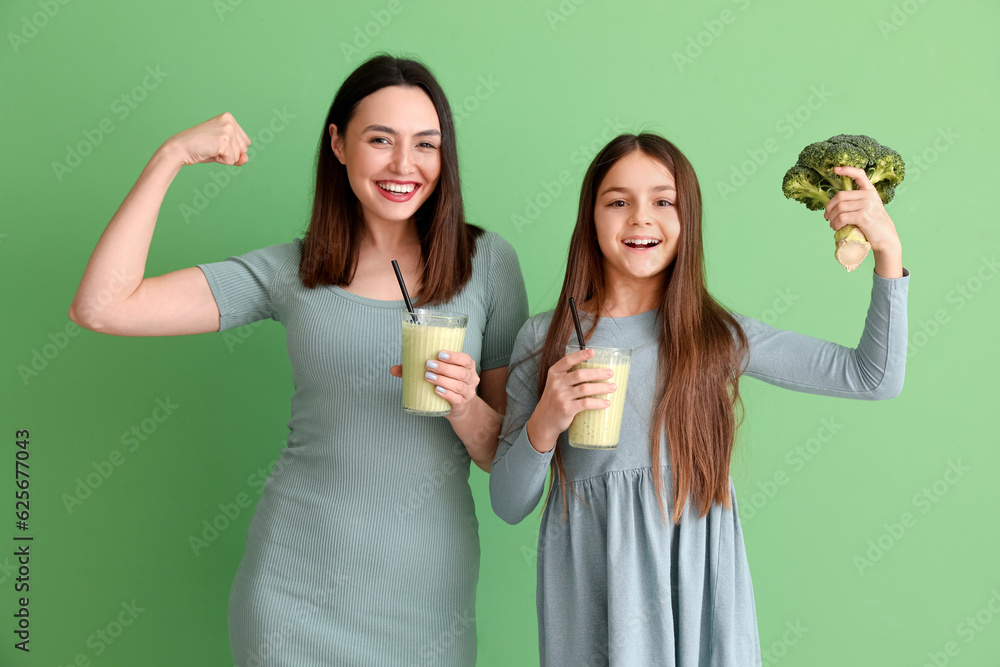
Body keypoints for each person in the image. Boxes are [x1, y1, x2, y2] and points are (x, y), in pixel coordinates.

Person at [69, 54, 528, 665]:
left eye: (425, 144)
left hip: (427, 599)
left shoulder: (487, 263)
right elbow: (103, 307)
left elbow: (508, 459)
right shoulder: (293, 269)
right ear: (338, 144)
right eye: (379, 140)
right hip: (295, 590)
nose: (403, 165)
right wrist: (170, 157)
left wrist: (464, 404)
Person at [489, 133, 908, 666]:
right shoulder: (545, 339)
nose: (641, 218)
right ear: (590, 218)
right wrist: (546, 421)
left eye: (664, 202)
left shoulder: (718, 337)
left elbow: (873, 377)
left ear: (688, 220)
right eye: (618, 202)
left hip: (700, 600)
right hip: (594, 605)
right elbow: (508, 503)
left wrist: (887, 251)